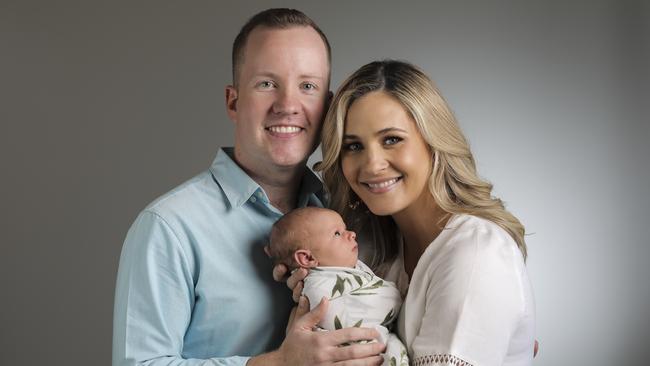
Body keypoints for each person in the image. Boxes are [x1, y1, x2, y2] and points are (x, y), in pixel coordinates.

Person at [112, 9, 385, 366]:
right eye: (266, 84)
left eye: (307, 86)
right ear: (233, 101)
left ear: (327, 106)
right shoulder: (169, 227)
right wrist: (278, 364)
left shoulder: (354, 212)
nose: (288, 106)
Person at [278, 60, 536, 365]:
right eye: (354, 146)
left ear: (432, 140)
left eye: (392, 140)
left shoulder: (476, 252)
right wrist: (316, 290)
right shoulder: (373, 251)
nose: (373, 164)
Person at [267, 207, 409, 366]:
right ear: (307, 258)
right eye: (337, 233)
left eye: (345, 228)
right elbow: (372, 305)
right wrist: (397, 295)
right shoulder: (320, 288)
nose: (352, 233)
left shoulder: (343, 267)